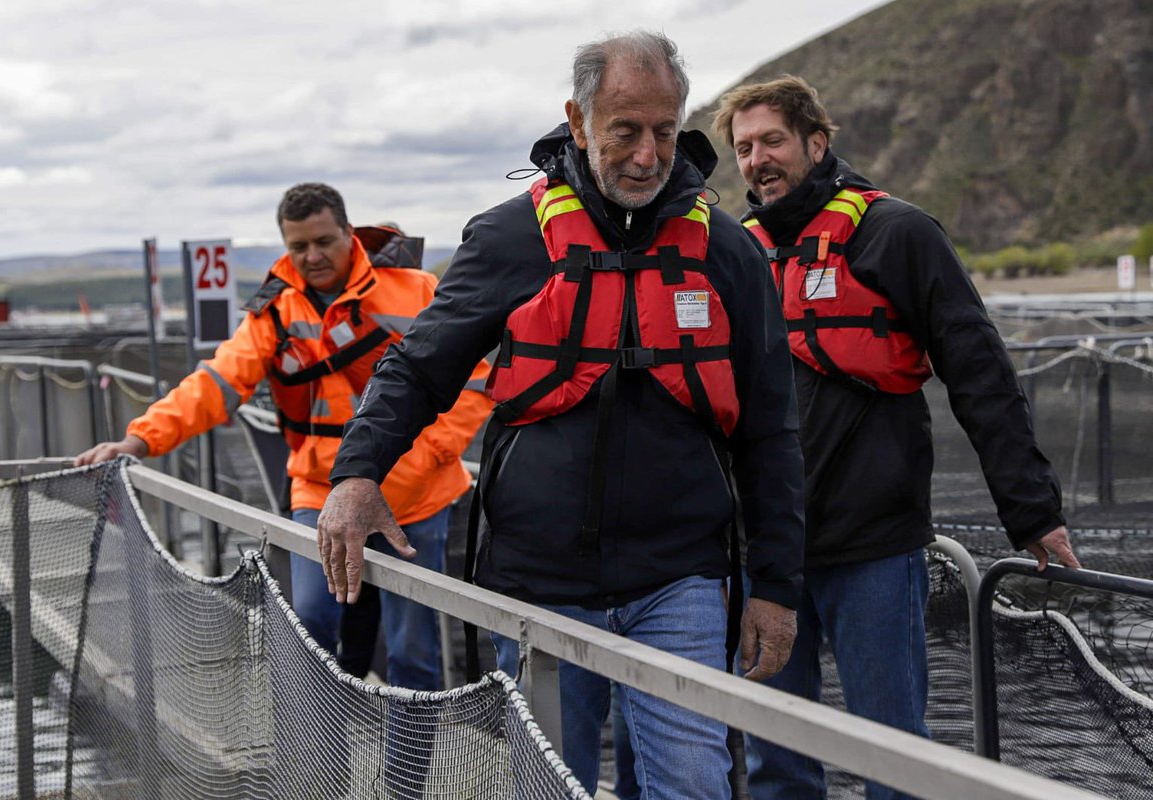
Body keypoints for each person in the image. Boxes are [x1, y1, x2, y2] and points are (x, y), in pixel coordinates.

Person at [317, 31, 806, 799]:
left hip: (680, 577)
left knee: (693, 784)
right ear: (577, 122)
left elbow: (771, 429)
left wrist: (775, 585)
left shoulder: (726, 252)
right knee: (548, 783)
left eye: (665, 131)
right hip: (539, 582)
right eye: (625, 130)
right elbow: (418, 367)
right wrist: (356, 475)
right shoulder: (508, 237)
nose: (647, 155)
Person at [711, 76, 1081, 799]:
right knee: (775, 764)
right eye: (745, 147)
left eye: (773, 141)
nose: (757, 160)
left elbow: (980, 372)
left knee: (895, 758)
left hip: (873, 548)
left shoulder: (898, 233)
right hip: (763, 554)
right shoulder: (733, 253)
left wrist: (1032, 509)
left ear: (817, 143)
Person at [76, 182, 492, 691]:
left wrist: (426, 457)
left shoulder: (416, 289)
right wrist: (139, 441)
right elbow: (216, 384)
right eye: (299, 246)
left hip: (418, 495)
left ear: (349, 232)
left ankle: (406, 744)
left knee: (414, 649)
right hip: (320, 489)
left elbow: (474, 381)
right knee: (310, 619)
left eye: (324, 241)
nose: (312, 256)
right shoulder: (275, 311)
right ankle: (318, 735)